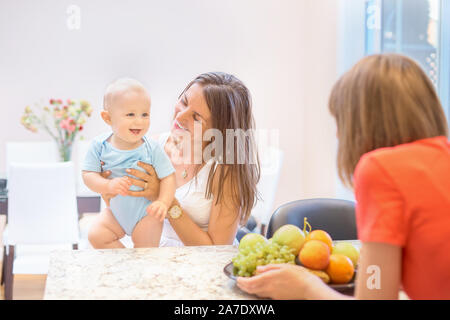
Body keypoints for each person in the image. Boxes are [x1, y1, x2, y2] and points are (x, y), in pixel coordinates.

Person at [237, 53, 450, 299]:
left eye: (341, 121)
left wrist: (305, 287)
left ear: (361, 123)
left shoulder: (380, 169)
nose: (338, 135)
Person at [100, 72, 261, 246]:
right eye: (184, 102)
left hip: (200, 266)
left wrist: (165, 200)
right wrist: (110, 191)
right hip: (153, 257)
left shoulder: (225, 171)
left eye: (197, 117)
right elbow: (126, 213)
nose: (180, 116)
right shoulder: (151, 147)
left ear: (219, 130)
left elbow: (217, 250)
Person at [82, 78, 176, 249]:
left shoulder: (151, 148)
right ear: (107, 118)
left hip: (146, 214)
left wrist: (163, 202)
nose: (139, 121)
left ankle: (138, 268)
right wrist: (108, 185)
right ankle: (126, 264)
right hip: (115, 213)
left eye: (145, 114)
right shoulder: (100, 145)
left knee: (145, 251)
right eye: (130, 114)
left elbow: (168, 177)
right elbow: (88, 175)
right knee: (96, 235)